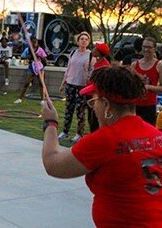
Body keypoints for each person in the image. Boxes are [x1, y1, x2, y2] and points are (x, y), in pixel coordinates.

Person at [41, 65, 162, 227]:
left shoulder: (105, 139)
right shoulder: (155, 134)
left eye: (94, 101)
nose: (94, 107)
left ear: (106, 105)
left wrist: (51, 123)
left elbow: (53, 164)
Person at [57, 32, 92, 143]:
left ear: (88, 42)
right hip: (71, 84)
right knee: (69, 109)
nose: (83, 41)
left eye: (86, 39)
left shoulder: (90, 55)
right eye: (81, 39)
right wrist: (63, 83)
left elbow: (91, 72)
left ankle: (79, 133)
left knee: (80, 111)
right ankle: (65, 132)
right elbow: (68, 69)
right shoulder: (73, 53)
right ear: (77, 41)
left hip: (82, 86)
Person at [131, 37, 162, 125]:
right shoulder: (134, 65)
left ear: (154, 49)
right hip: (134, 105)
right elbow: (129, 86)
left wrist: (148, 87)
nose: (146, 49)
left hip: (150, 106)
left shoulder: (159, 65)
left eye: (149, 47)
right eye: (144, 47)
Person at [13, 37, 47, 103]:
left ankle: (42, 100)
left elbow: (45, 59)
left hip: (40, 67)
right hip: (32, 67)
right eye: (32, 42)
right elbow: (22, 57)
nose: (34, 44)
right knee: (27, 83)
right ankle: (20, 99)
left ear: (37, 43)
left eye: (35, 42)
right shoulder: (28, 49)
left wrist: (39, 56)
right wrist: (27, 57)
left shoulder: (40, 50)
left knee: (41, 83)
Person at [87, 43, 111, 132]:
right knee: (90, 117)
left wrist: (95, 95)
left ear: (99, 52)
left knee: (95, 119)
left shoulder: (104, 65)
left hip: (96, 95)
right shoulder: (95, 62)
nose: (92, 50)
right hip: (89, 92)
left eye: (95, 49)